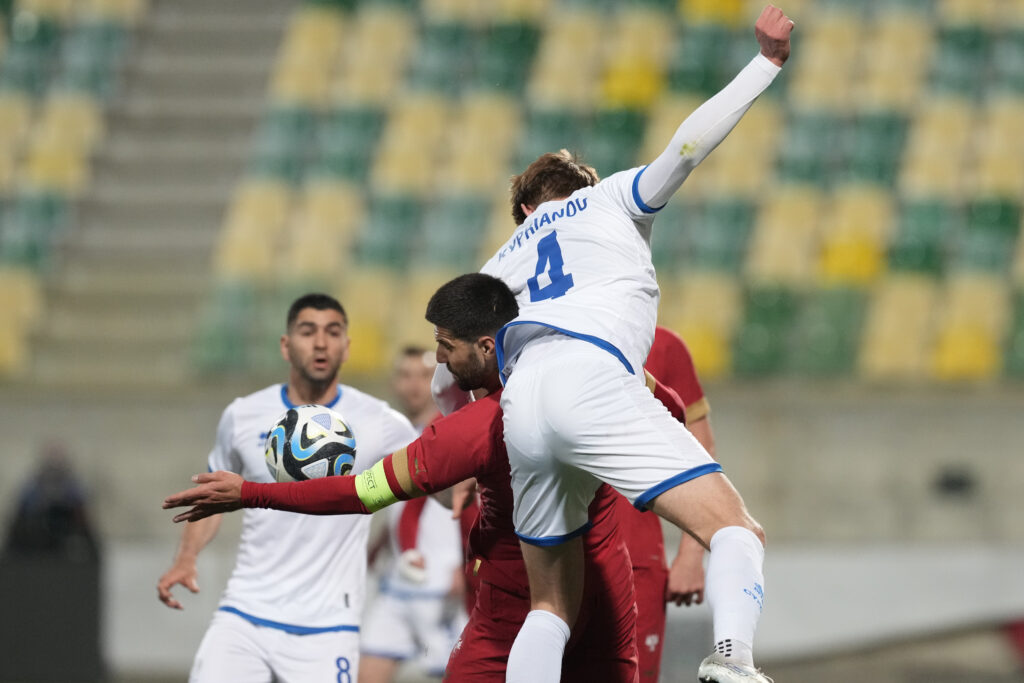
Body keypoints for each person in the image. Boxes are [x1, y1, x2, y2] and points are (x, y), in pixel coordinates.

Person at [444, 7, 794, 682]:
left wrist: (449, 437)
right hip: (591, 378)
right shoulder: (609, 201)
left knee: (549, 602)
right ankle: (731, 660)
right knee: (735, 530)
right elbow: (687, 148)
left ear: (523, 208)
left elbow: (449, 361)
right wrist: (765, 64)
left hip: (524, 409)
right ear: (587, 187)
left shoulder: (496, 265)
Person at [163, 273, 690, 681]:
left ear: (486, 346)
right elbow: (673, 412)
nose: (437, 357)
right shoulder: (592, 378)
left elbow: (359, 492)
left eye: (444, 344)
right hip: (606, 591)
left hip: (516, 608)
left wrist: (251, 492)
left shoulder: (473, 431)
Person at [156, 293, 417, 683]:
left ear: (346, 346)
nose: (320, 342)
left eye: (333, 332)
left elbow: (434, 472)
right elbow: (213, 495)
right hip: (246, 613)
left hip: (329, 626)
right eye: (307, 331)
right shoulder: (243, 414)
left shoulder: (380, 422)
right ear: (285, 345)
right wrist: (186, 556)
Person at [359, 346, 465, 683]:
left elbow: (474, 504)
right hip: (398, 580)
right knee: (366, 673)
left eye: (423, 375)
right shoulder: (397, 435)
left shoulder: (452, 431)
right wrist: (380, 545)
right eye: (405, 376)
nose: (414, 385)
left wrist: (465, 566)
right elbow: (404, 504)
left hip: (444, 584)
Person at [624, 326, 719, 683]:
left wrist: (692, 554)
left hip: (635, 558)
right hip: (547, 557)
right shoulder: (537, 339)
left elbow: (701, 456)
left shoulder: (663, 346)